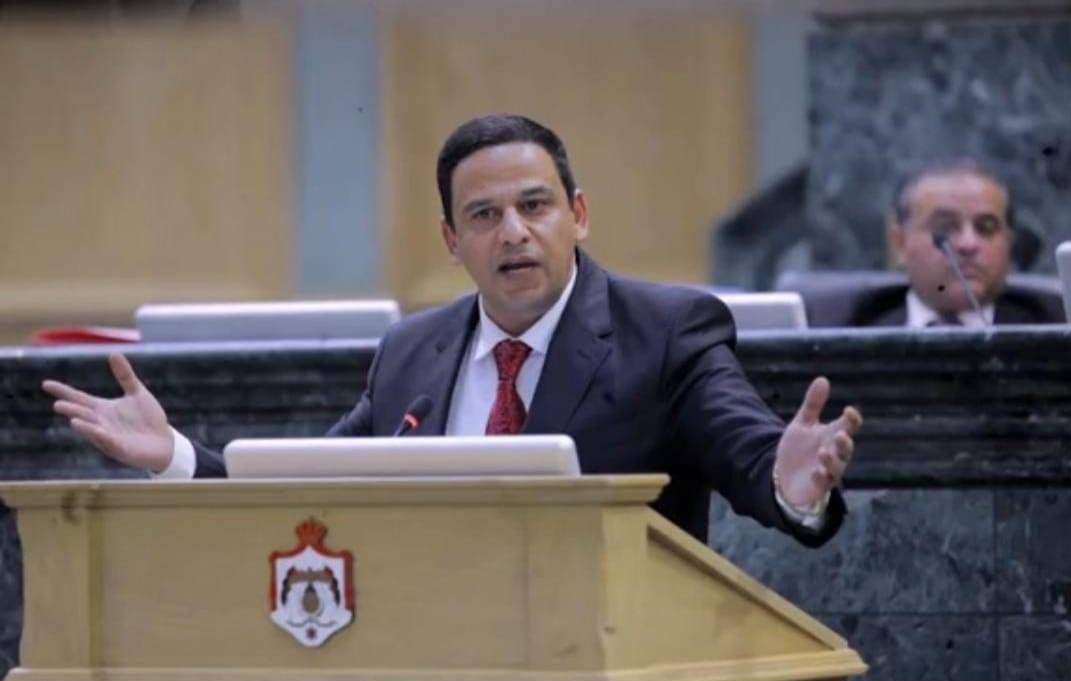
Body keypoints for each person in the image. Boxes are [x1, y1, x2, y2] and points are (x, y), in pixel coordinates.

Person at [43, 114, 862, 547]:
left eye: (535, 206)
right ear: (451, 239)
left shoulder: (666, 331)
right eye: (484, 215)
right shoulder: (412, 351)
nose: (514, 233)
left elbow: (749, 453)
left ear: (577, 216)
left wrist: (792, 483)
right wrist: (176, 457)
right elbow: (305, 486)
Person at [807, 159, 1065, 328]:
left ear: (1009, 243)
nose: (968, 244)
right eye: (944, 228)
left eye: (986, 228)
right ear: (900, 244)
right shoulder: (846, 327)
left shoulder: (1057, 327)